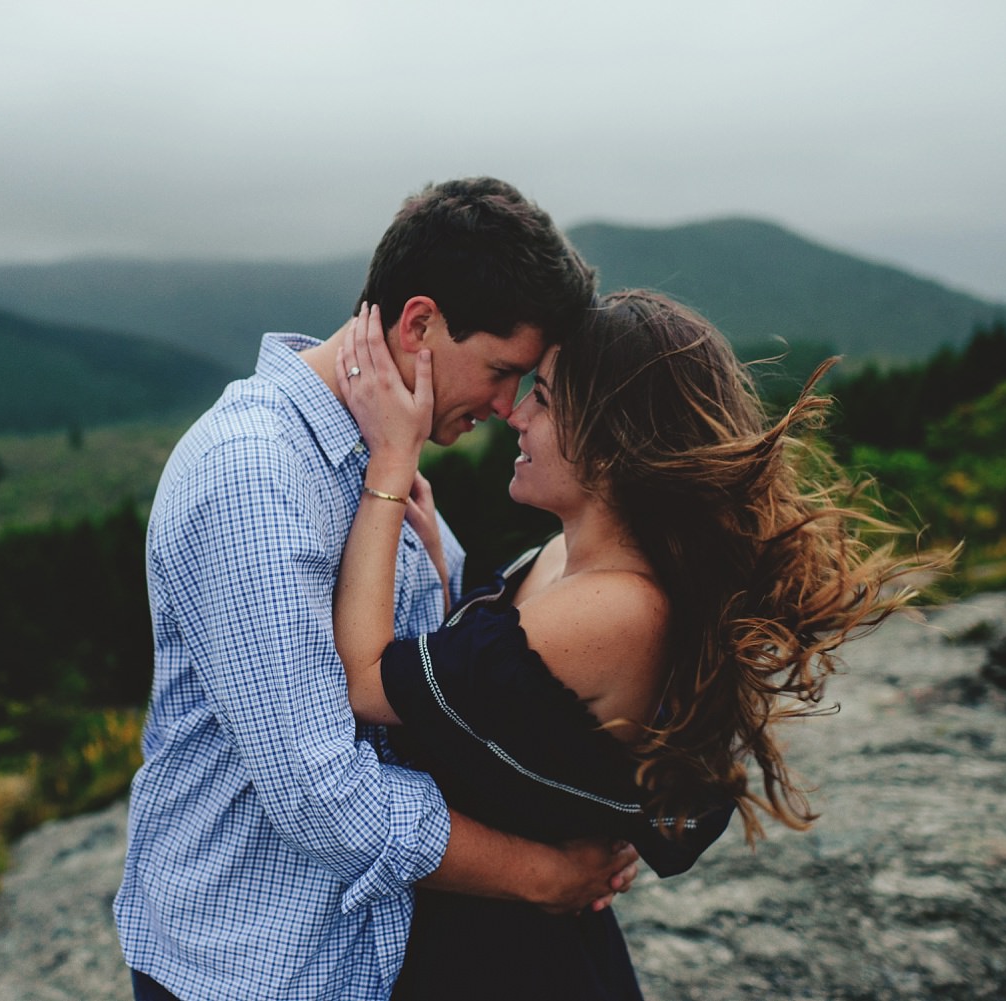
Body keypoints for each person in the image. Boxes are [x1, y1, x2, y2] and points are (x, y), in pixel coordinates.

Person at [332, 289, 948, 999]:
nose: (517, 413)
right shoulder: (570, 556)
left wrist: (389, 461)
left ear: (612, 437)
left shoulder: (618, 607)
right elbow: (497, 698)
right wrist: (441, 566)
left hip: (511, 966)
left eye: (548, 399)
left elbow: (370, 685)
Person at [113, 178, 640, 1001]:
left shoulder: (381, 451)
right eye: (502, 371)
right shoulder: (255, 474)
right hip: (259, 963)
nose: (509, 406)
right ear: (419, 323)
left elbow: (454, 656)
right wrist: (543, 875)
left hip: (369, 950)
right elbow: (320, 793)